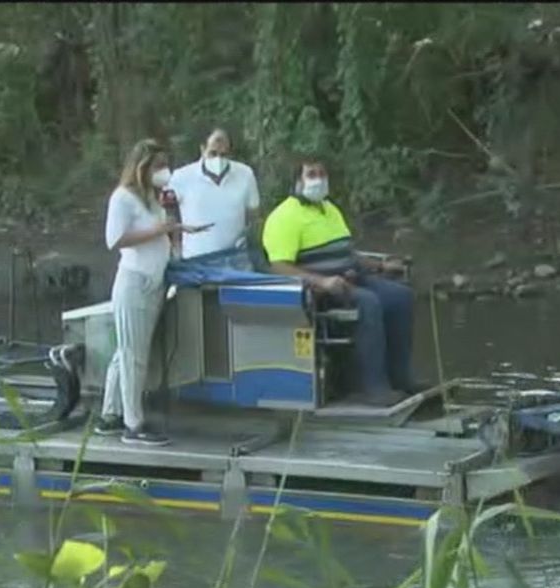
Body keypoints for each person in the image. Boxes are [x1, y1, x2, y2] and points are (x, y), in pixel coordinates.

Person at [261, 156, 418, 407]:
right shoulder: (283, 217)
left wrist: (381, 266)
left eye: (322, 174)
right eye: (312, 175)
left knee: (401, 297)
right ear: (297, 182)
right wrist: (322, 282)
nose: (319, 180)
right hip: (321, 290)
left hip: (353, 277)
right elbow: (279, 266)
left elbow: (348, 253)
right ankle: (372, 387)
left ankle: (401, 379)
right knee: (369, 303)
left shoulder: (330, 209)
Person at [96, 138, 211, 444]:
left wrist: (175, 235)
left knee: (129, 349)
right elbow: (115, 239)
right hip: (134, 281)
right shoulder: (122, 198)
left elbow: (160, 235)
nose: (165, 171)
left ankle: (110, 413)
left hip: (155, 281)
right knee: (135, 355)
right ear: (142, 167)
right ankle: (133, 424)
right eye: (158, 166)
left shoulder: (154, 199)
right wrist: (161, 230)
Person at [167, 127, 260, 264]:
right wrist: (176, 249)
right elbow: (169, 217)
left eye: (224, 154)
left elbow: (254, 215)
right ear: (202, 149)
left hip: (235, 260)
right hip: (196, 262)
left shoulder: (245, 174)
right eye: (213, 153)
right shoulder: (181, 177)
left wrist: (248, 237)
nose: (218, 160)